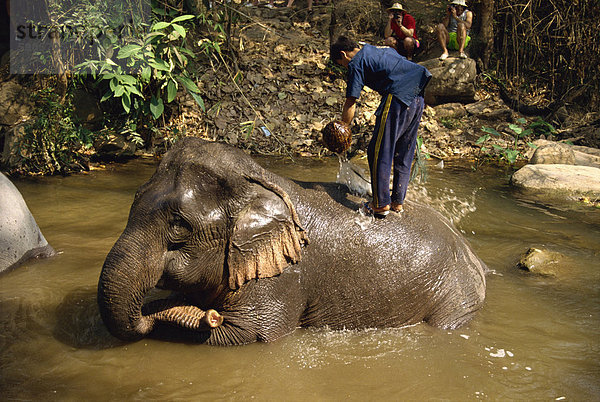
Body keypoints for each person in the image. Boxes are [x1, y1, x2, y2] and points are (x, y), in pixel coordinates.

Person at [330, 36, 431, 218]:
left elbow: (351, 101)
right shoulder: (375, 49)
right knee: (403, 150)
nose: (344, 67)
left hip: (398, 94)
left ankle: (380, 204)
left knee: (378, 150)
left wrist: (343, 128)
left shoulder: (355, 63)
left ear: (343, 55)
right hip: (418, 94)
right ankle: (397, 201)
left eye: (341, 64)